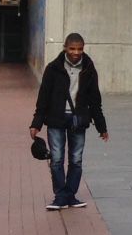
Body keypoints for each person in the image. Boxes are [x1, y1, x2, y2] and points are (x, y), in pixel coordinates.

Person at [29, 32, 108, 211]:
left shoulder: (89, 69)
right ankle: (60, 196)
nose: (76, 53)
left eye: (80, 49)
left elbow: (95, 100)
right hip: (56, 118)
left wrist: (101, 126)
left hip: (78, 120)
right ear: (65, 48)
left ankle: (70, 196)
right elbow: (43, 98)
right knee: (56, 159)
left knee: (76, 160)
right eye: (72, 49)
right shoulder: (53, 68)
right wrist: (36, 123)